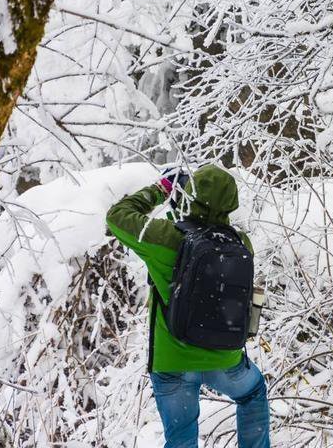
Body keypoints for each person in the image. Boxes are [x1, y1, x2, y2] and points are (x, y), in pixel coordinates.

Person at [106, 164, 270, 448]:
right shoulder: (242, 244)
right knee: (252, 393)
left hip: (173, 362)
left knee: (181, 440)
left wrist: (163, 190)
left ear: (189, 196)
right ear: (232, 203)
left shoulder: (165, 237)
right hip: (224, 359)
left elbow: (117, 217)